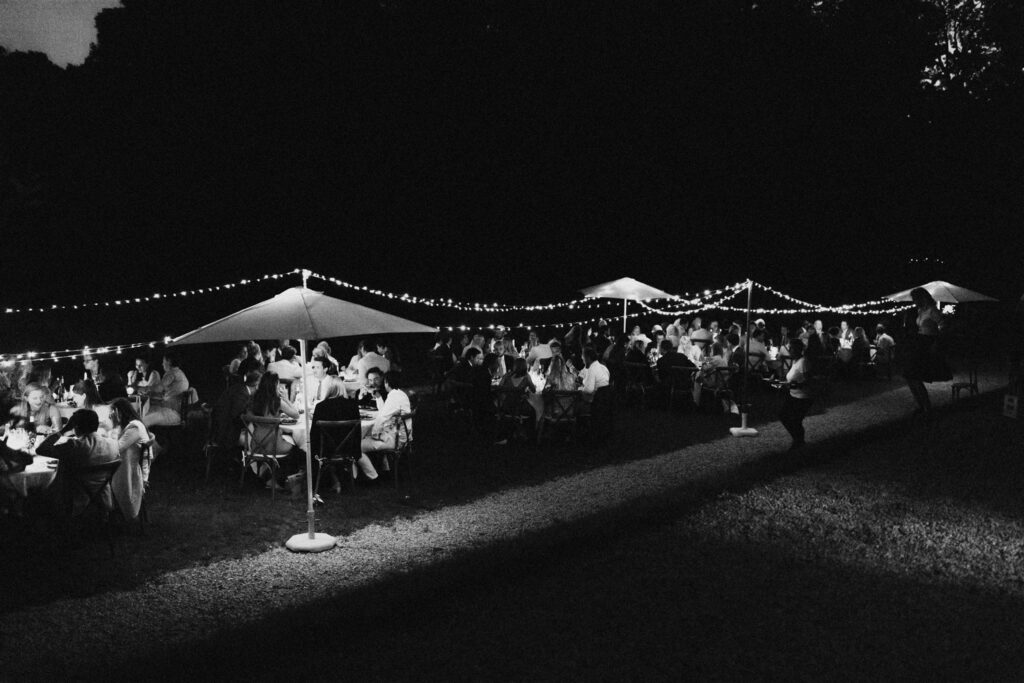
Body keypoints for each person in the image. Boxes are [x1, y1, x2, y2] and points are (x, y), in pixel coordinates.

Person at [35, 409, 120, 514]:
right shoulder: (113, 444)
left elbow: (41, 450)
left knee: (38, 495)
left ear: (75, 427)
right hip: (103, 498)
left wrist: (63, 430)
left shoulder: (73, 446)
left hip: (75, 500)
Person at [310, 378, 377, 489]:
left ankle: (322, 480)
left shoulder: (320, 407)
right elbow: (357, 432)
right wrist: (356, 451)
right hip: (348, 449)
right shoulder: (352, 406)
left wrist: (314, 452)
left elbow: (314, 434)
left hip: (325, 449)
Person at [247, 372, 303, 490]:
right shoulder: (277, 401)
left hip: (255, 443)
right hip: (272, 444)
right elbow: (296, 415)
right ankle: (275, 480)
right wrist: (287, 399)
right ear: (275, 385)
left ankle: (265, 475)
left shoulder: (253, 399)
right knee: (296, 449)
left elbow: (250, 416)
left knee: (288, 442)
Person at [904, 287, 952, 414]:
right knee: (910, 376)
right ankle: (921, 405)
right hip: (920, 342)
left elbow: (944, 325)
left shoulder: (932, 310)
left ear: (921, 298)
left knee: (916, 375)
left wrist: (936, 342)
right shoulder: (920, 311)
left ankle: (926, 407)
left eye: (915, 299)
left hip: (928, 343)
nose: (914, 301)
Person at [108, 398, 153, 517]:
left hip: (132, 472)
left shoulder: (134, 428)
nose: (109, 416)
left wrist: (114, 426)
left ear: (119, 413)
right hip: (129, 466)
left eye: (111, 412)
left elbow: (115, 449)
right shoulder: (131, 426)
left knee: (98, 474)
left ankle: (106, 510)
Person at [360, 371, 411, 476]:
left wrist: (375, 434)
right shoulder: (400, 394)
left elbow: (382, 417)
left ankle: (373, 476)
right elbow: (384, 411)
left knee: (355, 446)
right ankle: (385, 469)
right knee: (368, 433)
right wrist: (378, 396)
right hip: (401, 436)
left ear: (387, 382)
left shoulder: (394, 397)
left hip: (396, 440)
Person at [212, 369, 261, 449]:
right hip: (226, 434)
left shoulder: (240, 388)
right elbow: (238, 418)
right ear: (257, 385)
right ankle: (249, 460)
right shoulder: (241, 394)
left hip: (224, 429)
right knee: (258, 440)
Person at [778, 339, 813, 450]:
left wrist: (796, 386)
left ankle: (799, 442)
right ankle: (798, 440)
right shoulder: (795, 361)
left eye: (792, 349)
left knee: (795, 420)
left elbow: (809, 381)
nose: (790, 351)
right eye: (790, 349)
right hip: (793, 395)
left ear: (798, 349)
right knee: (784, 416)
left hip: (803, 397)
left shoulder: (803, 362)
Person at [142, 351, 190, 428]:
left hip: (172, 413)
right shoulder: (179, 372)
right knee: (146, 411)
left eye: (163, 361)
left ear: (169, 362)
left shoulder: (172, 373)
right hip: (176, 411)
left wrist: (143, 389)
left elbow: (158, 388)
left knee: (143, 420)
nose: (162, 364)